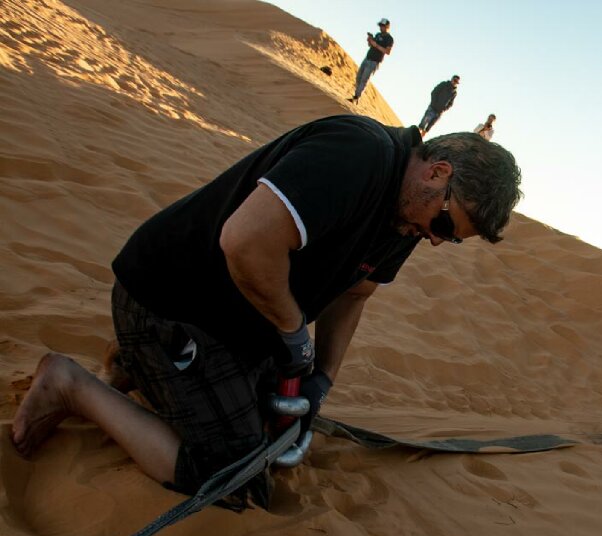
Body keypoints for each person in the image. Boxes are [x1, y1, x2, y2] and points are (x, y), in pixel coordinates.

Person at [10, 115, 522, 509]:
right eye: (448, 226)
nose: (437, 240)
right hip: (170, 302)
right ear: (437, 172)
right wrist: (292, 331)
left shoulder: (408, 216)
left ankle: (133, 366)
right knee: (231, 479)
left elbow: (356, 293)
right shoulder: (358, 155)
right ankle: (71, 384)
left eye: (450, 240)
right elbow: (245, 241)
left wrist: (321, 378)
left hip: (236, 328)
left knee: (275, 432)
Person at [348, 18, 394, 104]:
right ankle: (356, 96)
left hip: (374, 62)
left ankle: (356, 97)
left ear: (387, 27)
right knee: (359, 77)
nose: (381, 27)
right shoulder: (377, 34)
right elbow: (371, 45)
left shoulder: (389, 39)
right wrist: (370, 40)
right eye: (380, 25)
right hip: (367, 58)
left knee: (364, 79)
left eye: (383, 26)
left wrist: (376, 45)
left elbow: (387, 52)